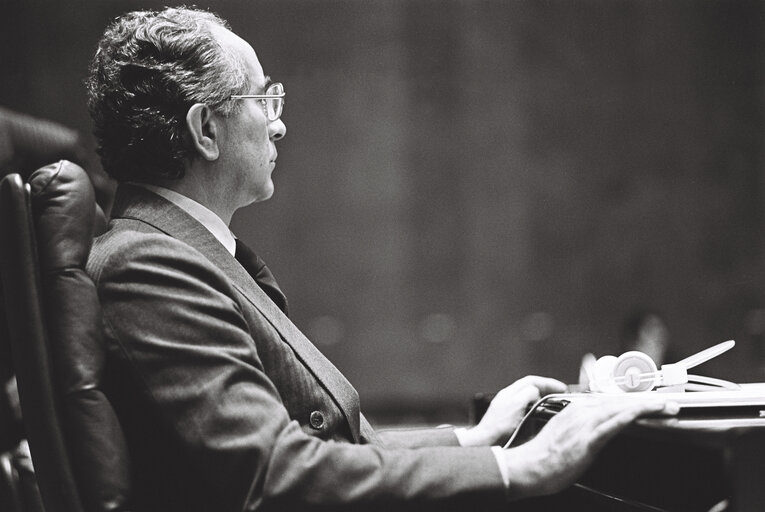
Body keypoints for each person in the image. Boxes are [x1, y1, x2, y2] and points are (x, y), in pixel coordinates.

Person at [84, 7, 673, 511]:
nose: (280, 122)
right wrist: (518, 468)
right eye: (264, 97)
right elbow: (276, 474)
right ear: (206, 129)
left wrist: (475, 440)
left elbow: (326, 445)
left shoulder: (175, 251)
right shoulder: (149, 266)